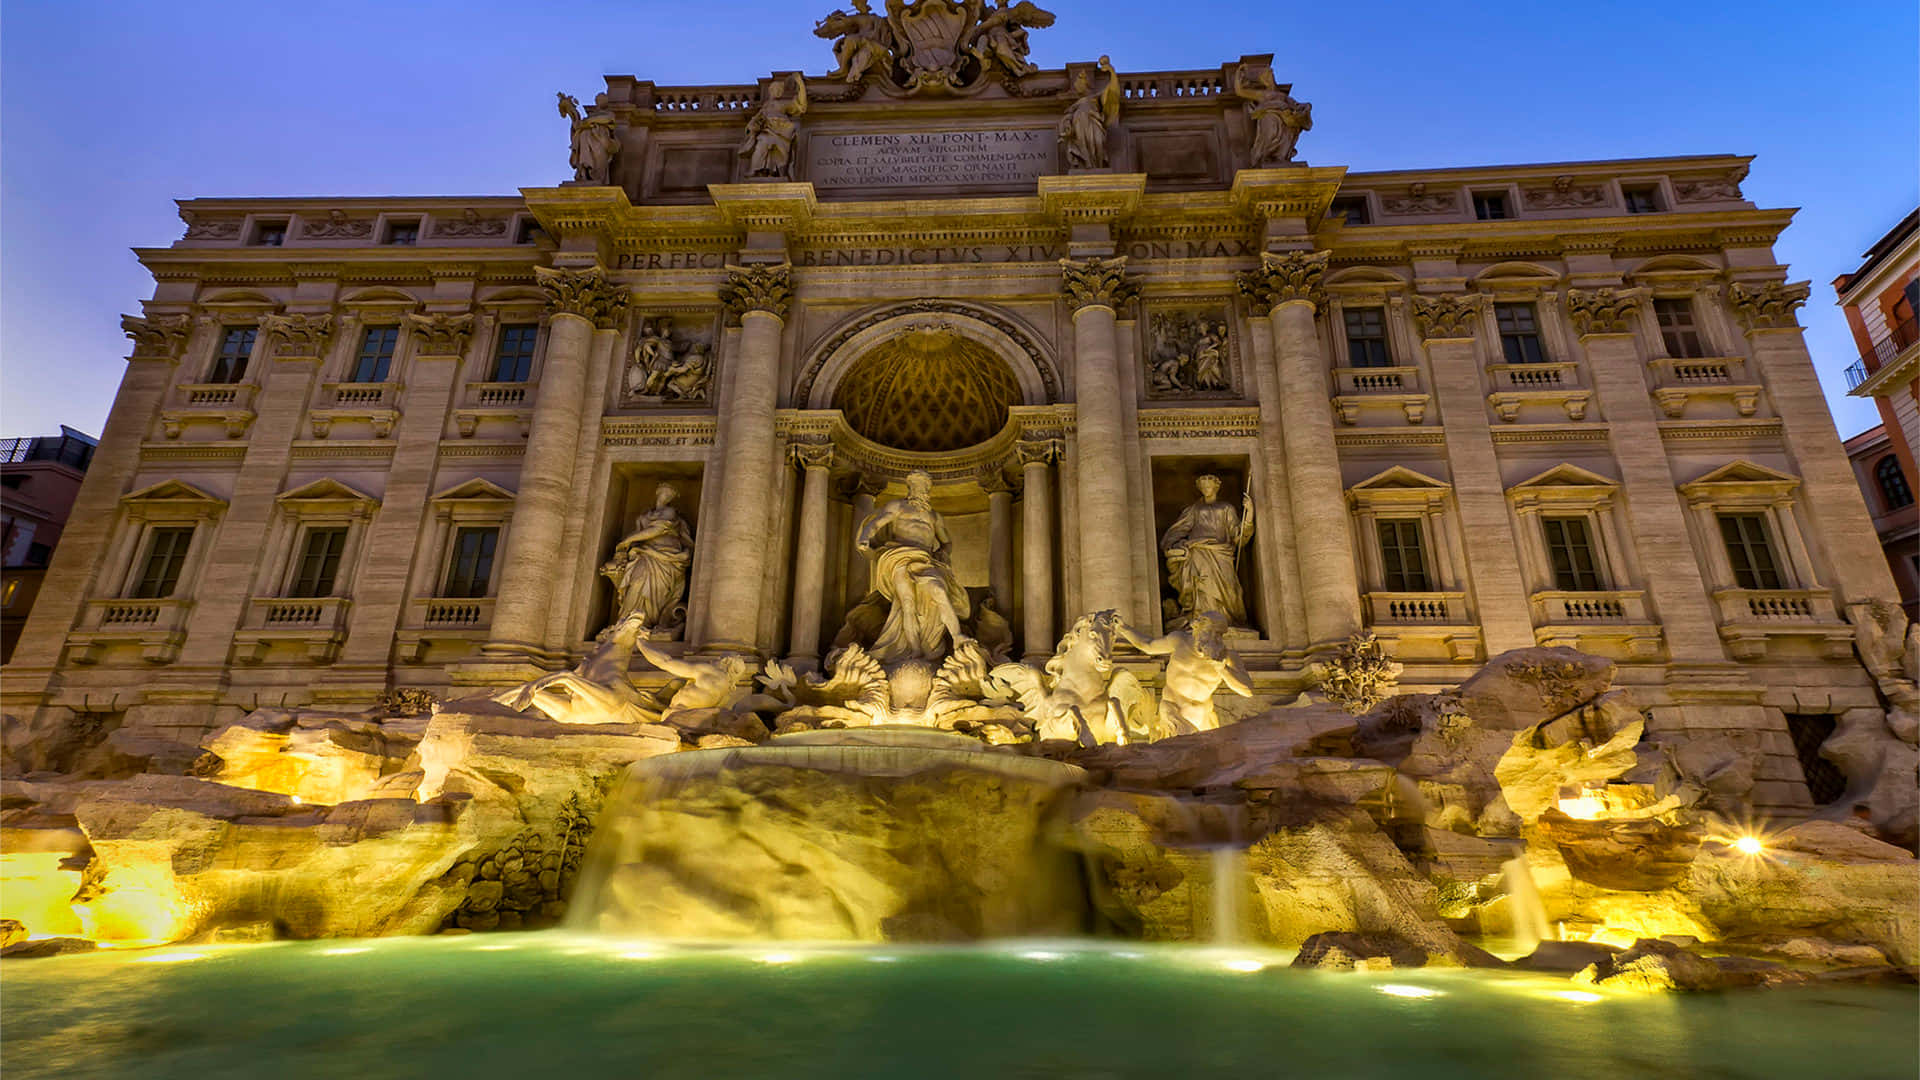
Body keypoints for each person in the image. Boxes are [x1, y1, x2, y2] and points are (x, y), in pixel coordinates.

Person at [853, 470, 971, 663]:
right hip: (899, 557)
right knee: (906, 603)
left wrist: (943, 553)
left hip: (924, 559)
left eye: (924, 486)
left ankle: (957, 635)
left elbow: (947, 543)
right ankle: (915, 650)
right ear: (910, 487)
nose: (921, 489)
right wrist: (865, 536)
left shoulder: (934, 516)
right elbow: (876, 523)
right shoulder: (898, 506)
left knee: (939, 590)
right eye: (917, 485)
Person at [1117, 611, 1253, 737]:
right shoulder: (1179, 641)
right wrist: (1123, 628)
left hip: (1204, 717)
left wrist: (1222, 669)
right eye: (1209, 631)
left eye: (1218, 634)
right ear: (1197, 628)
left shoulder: (1227, 656)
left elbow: (1248, 691)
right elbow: (1147, 645)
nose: (1214, 637)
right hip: (1173, 711)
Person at [1159, 474, 1254, 628]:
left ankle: (1226, 619)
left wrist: (1249, 513)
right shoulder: (1194, 510)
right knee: (1202, 586)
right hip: (1198, 552)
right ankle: (1202, 620)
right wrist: (1175, 545)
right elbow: (1178, 530)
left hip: (1221, 553)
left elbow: (1238, 535)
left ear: (1216, 487)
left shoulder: (1226, 508)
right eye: (1203, 487)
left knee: (1228, 588)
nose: (1206, 490)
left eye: (1209, 486)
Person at [600, 483, 694, 638]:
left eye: (670, 495)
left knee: (656, 590)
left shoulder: (670, 512)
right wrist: (627, 549)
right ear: (658, 493)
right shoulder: (645, 515)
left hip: (666, 556)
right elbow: (640, 535)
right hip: (644, 554)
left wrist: (628, 540)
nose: (666, 496)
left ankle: (647, 623)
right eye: (664, 493)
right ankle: (627, 621)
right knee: (636, 582)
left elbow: (656, 530)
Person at [1231, 66, 1312, 167]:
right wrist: (1238, 74)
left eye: (1270, 76)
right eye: (1266, 77)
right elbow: (1240, 91)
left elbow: (1296, 105)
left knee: (1288, 132)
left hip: (1286, 118)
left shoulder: (1283, 96)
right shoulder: (1263, 94)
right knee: (1271, 131)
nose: (1269, 79)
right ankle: (1267, 156)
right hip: (1270, 116)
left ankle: (1280, 157)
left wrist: (1305, 107)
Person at [740, 73, 808, 179]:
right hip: (767, 131)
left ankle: (777, 172)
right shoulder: (765, 106)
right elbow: (755, 119)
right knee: (761, 145)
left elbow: (801, 106)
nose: (778, 91)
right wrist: (751, 128)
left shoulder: (784, 104)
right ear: (770, 90)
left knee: (782, 157)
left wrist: (800, 83)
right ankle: (755, 170)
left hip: (783, 133)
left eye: (780, 89)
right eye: (776, 89)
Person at [1058, 56, 1120, 170]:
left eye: (1078, 84)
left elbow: (1112, 92)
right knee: (1083, 147)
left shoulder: (1096, 98)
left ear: (1085, 84)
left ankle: (1095, 163)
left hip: (1093, 125)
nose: (1077, 88)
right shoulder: (1075, 106)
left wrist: (1111, 72)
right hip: (1079, 127)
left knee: (1097, 145)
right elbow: (1067, 118)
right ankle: (1087, 162)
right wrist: (1066, 125)